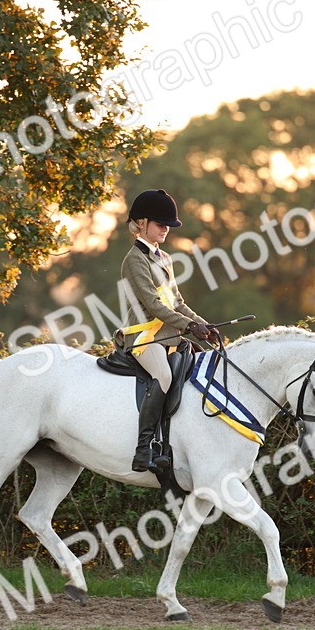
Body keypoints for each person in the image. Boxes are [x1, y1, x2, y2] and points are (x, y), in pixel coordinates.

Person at [114, 189, 218, 472]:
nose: (165, 230)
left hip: (169, 337)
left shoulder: (165, 259)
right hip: (143, 337)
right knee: (163, 374)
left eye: (167, 226)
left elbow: (177, 303)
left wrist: (202, 325)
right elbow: (153, 304)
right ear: (142, 223)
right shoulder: (134, 260)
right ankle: (143, 448)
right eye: (160, 225)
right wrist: (188, 326)